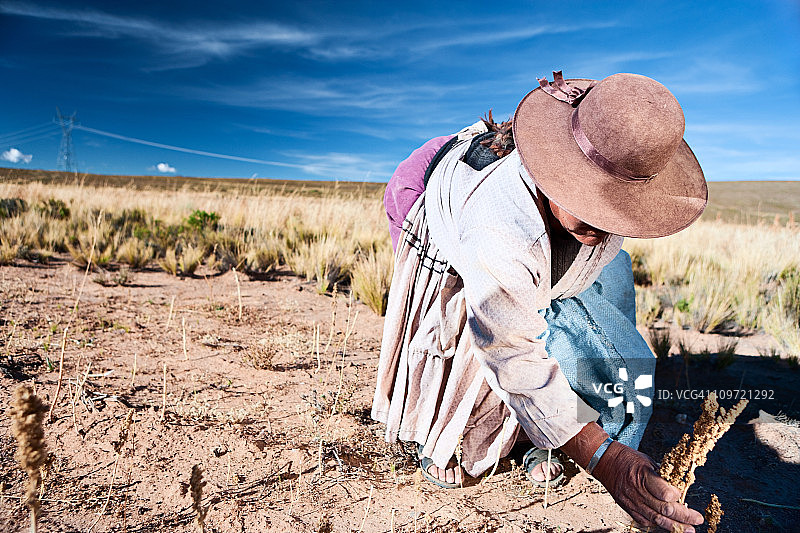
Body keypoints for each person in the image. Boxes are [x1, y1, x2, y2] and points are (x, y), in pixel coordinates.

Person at [372, 71, 708, 532]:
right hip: (427, 191)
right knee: (483, 331)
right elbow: (509, 348)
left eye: (617, 206)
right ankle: (450, 437)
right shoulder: (498, 224)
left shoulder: (604, 193)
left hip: (525, 234)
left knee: (606, 299)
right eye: (589, 198)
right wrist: (606, 461)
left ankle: (552, 435)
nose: (601, 223)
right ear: (560, 168)